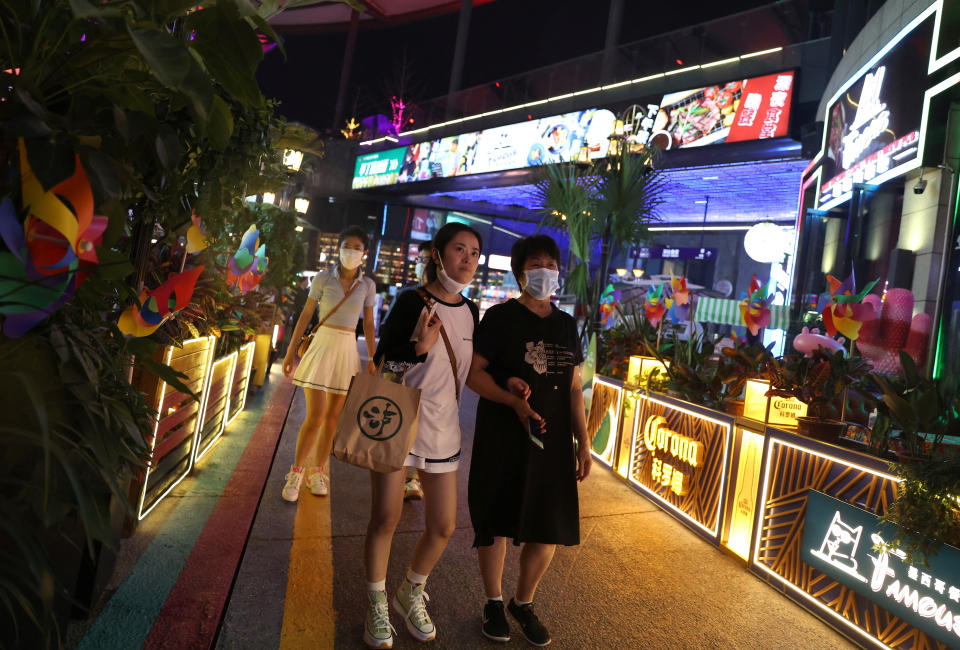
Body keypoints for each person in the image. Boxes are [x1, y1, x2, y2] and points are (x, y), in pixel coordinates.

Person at [466, 234, 592, 647]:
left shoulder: (566, 324)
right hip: (504, 435)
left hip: (552, 441)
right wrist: (511, 401)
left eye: (552, 265)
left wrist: (584, 442)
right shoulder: (499, 318)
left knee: (547, 526)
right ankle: (493, 602)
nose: (546, 272)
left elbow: (574, 389)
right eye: (536, 264)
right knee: (497, 521)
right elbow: (474, 374)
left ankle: (524, 602)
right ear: (520, 273)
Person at [362, 223, 482, 649]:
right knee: (386, 517)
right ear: (437, 254)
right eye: (459, 250)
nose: (467, 260)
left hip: (444, 429)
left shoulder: (471, 312)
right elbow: (382, 366)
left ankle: (410, 591)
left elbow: (471, 373)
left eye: (474, 253)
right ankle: (376, 605)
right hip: (399, 422)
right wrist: (418, 349)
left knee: (444, 525)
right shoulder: (409, 302)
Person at [281, 226, 377, 502]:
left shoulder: (367, 285)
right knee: (316, 415)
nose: (351, 251)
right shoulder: (323, 278)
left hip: (347, 348)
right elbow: (306, 314)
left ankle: (316, 471)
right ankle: (296, 472)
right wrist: (290, 353)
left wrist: (372, 357)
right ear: (338, 248)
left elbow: (368, 323)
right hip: (322, 345)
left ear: (365, 253)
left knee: (333, 417)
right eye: (347, 245)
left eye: (357, 247)